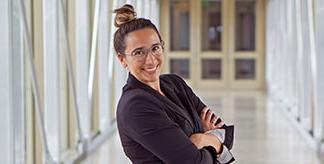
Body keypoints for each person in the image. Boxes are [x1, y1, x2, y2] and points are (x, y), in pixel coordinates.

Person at [114, 4, 235, 164]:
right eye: (139, 52)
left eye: (155, 48)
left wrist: (201, 139)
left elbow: (225, 133)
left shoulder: (175, 84)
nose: (150, 60)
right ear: (122, 59)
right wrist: (210, 140)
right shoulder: (135, 106)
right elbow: (193, 162)